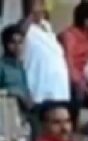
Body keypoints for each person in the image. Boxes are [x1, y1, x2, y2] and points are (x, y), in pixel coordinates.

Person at [22, 0, 70, 128]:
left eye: (42, 4)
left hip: (58, 88)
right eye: (38, 4)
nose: (41, 7)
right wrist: (32, 15)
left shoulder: (47, 26)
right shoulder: (26, 28)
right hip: (40, 90)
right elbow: (20, 34)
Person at [59, 1, 88, 112]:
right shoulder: (69, 37)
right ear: (87, 22)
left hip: (84, 80)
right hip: (70, 81)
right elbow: (70, 69)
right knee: (77, 92)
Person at [0, 24, 31, 115]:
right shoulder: (2, 66)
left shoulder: (20, 67)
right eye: (13, 42)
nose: (17, 46)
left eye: (20, 42)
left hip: (23, 114)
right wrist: (14, 92)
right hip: (6, 114)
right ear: (5, 44)